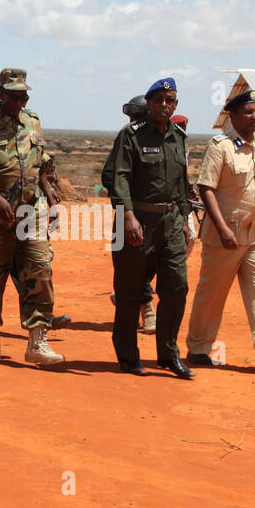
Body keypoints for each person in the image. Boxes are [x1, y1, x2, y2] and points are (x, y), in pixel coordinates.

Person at [186, 89, 255, 374]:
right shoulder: (220, 146)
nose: (254, 117)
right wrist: (222, 227)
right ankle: (198, 349)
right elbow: (206, 188)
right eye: (248, 112)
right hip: (226, 235)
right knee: (212, 294)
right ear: (232, 116)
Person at [0, 69, 63, 365]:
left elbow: (40, 161)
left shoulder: (33, 120)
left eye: (23, 95)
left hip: (30, 212)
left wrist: (51, 193)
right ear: (0, 94)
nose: (19, 101)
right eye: (13, 95)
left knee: (40, 270)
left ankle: (37, 341)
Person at [107, 77, 196, 378]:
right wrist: (128, 216)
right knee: (130, 290)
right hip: (136, 220)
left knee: (176, 287)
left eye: (170, 100)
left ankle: (168, 354)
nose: (164, 105)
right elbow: (119, 178)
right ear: (149, 103)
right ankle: (128, 356)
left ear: (175, 104)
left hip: (171, 223)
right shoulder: (131, 135)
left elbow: (181, 183)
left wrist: (184, 219)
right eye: (158, 100)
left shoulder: (178, 137)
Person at [104, 94, 156, 334]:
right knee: (131, 266)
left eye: (137, 116)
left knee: (151, 264)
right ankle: (144, 310)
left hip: (159, 216)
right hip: (129, 215)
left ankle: (142, 306)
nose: (134, 121)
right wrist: (126, 200)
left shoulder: (166, 137)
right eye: (132, 117)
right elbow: (109, 175)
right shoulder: (127, 137)